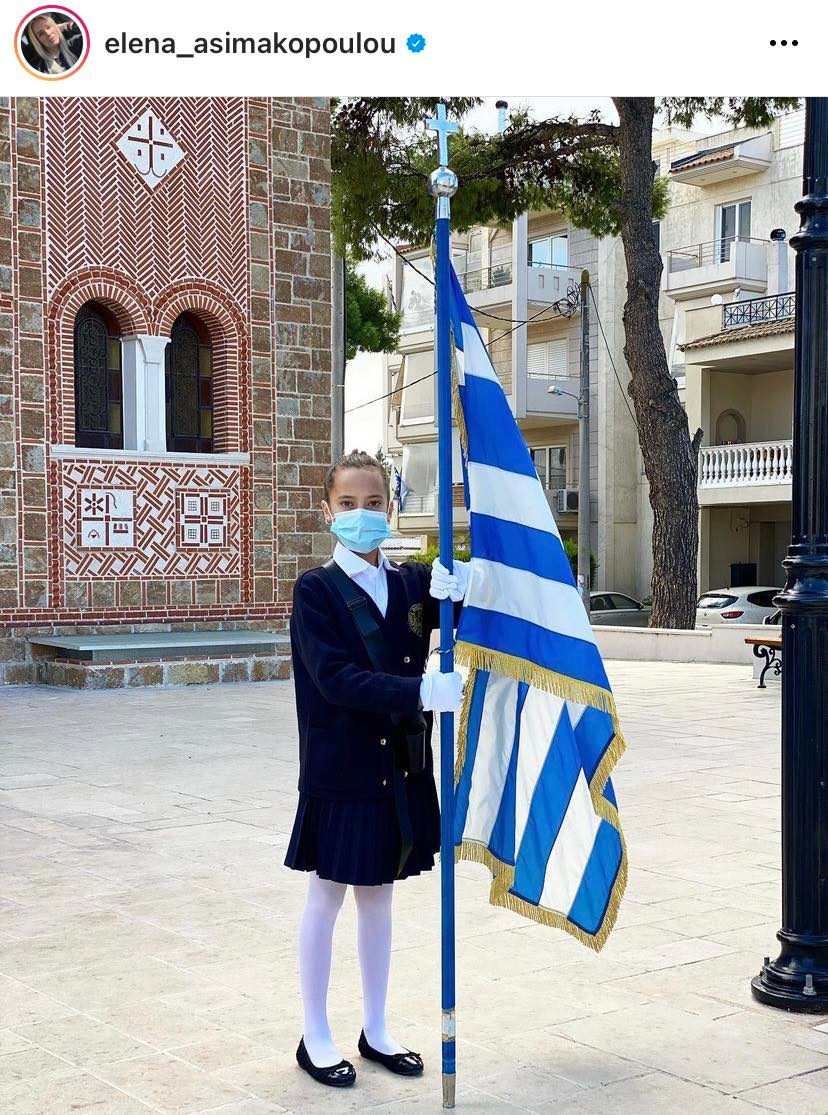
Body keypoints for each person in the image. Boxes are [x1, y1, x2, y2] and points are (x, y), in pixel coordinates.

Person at [284, 450, 469, 1088]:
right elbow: (335, 679)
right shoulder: (315, 591)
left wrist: (461, 598)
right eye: (347, 504)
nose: (361, 515)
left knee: (381, 897)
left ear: (390, 509)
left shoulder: (415, 583)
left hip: (403, 769)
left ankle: (378, 1027)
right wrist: (418, 693)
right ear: (327, 510)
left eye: (372, 504)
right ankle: (316, 1034)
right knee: (328, 894)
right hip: (344, 769)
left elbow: (456, 625)